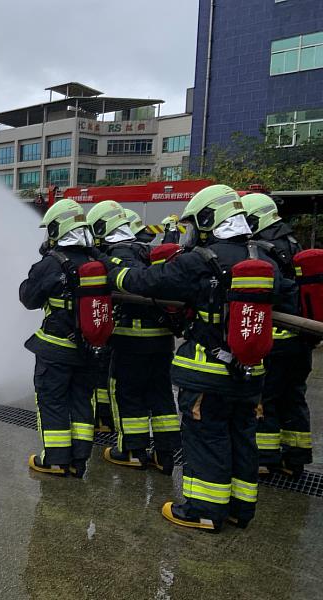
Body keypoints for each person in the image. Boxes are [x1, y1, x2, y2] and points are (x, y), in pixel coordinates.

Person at [102, 184, 294, 531]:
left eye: (196, 223)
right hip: (251, 372)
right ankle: (240, 508)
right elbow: (288, 298)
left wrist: (111, 264)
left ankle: (203, 509)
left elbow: (143, 282)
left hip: (208, 371)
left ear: (209, 218)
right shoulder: (265, 258)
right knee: (241, 436)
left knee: (207, 438)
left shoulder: (199, 262)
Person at [86, 201, 180, 475]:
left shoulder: (119, 254)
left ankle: (132, 451)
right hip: (162, 340)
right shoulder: (145, 250)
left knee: (128, 394)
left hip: (131, 339)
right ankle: (164, 454)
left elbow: (129, 281)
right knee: (161, 395)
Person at [19, 199, 100, 478]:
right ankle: (79, 460)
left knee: (53, 402)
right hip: (89, 349)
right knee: (81, 401)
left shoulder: (50, 265)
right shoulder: (97, 261)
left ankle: (54, 459)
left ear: (58, 229)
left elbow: (29, 300)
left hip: (55, 349)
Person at [243, 193, 313, 477]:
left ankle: (264, 458)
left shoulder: (258, 248)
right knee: (294, 396)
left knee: (265, 399)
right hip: (301, 338)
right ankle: (295, 457)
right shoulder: (292, 243)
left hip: (275, 339)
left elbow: (263, 291)